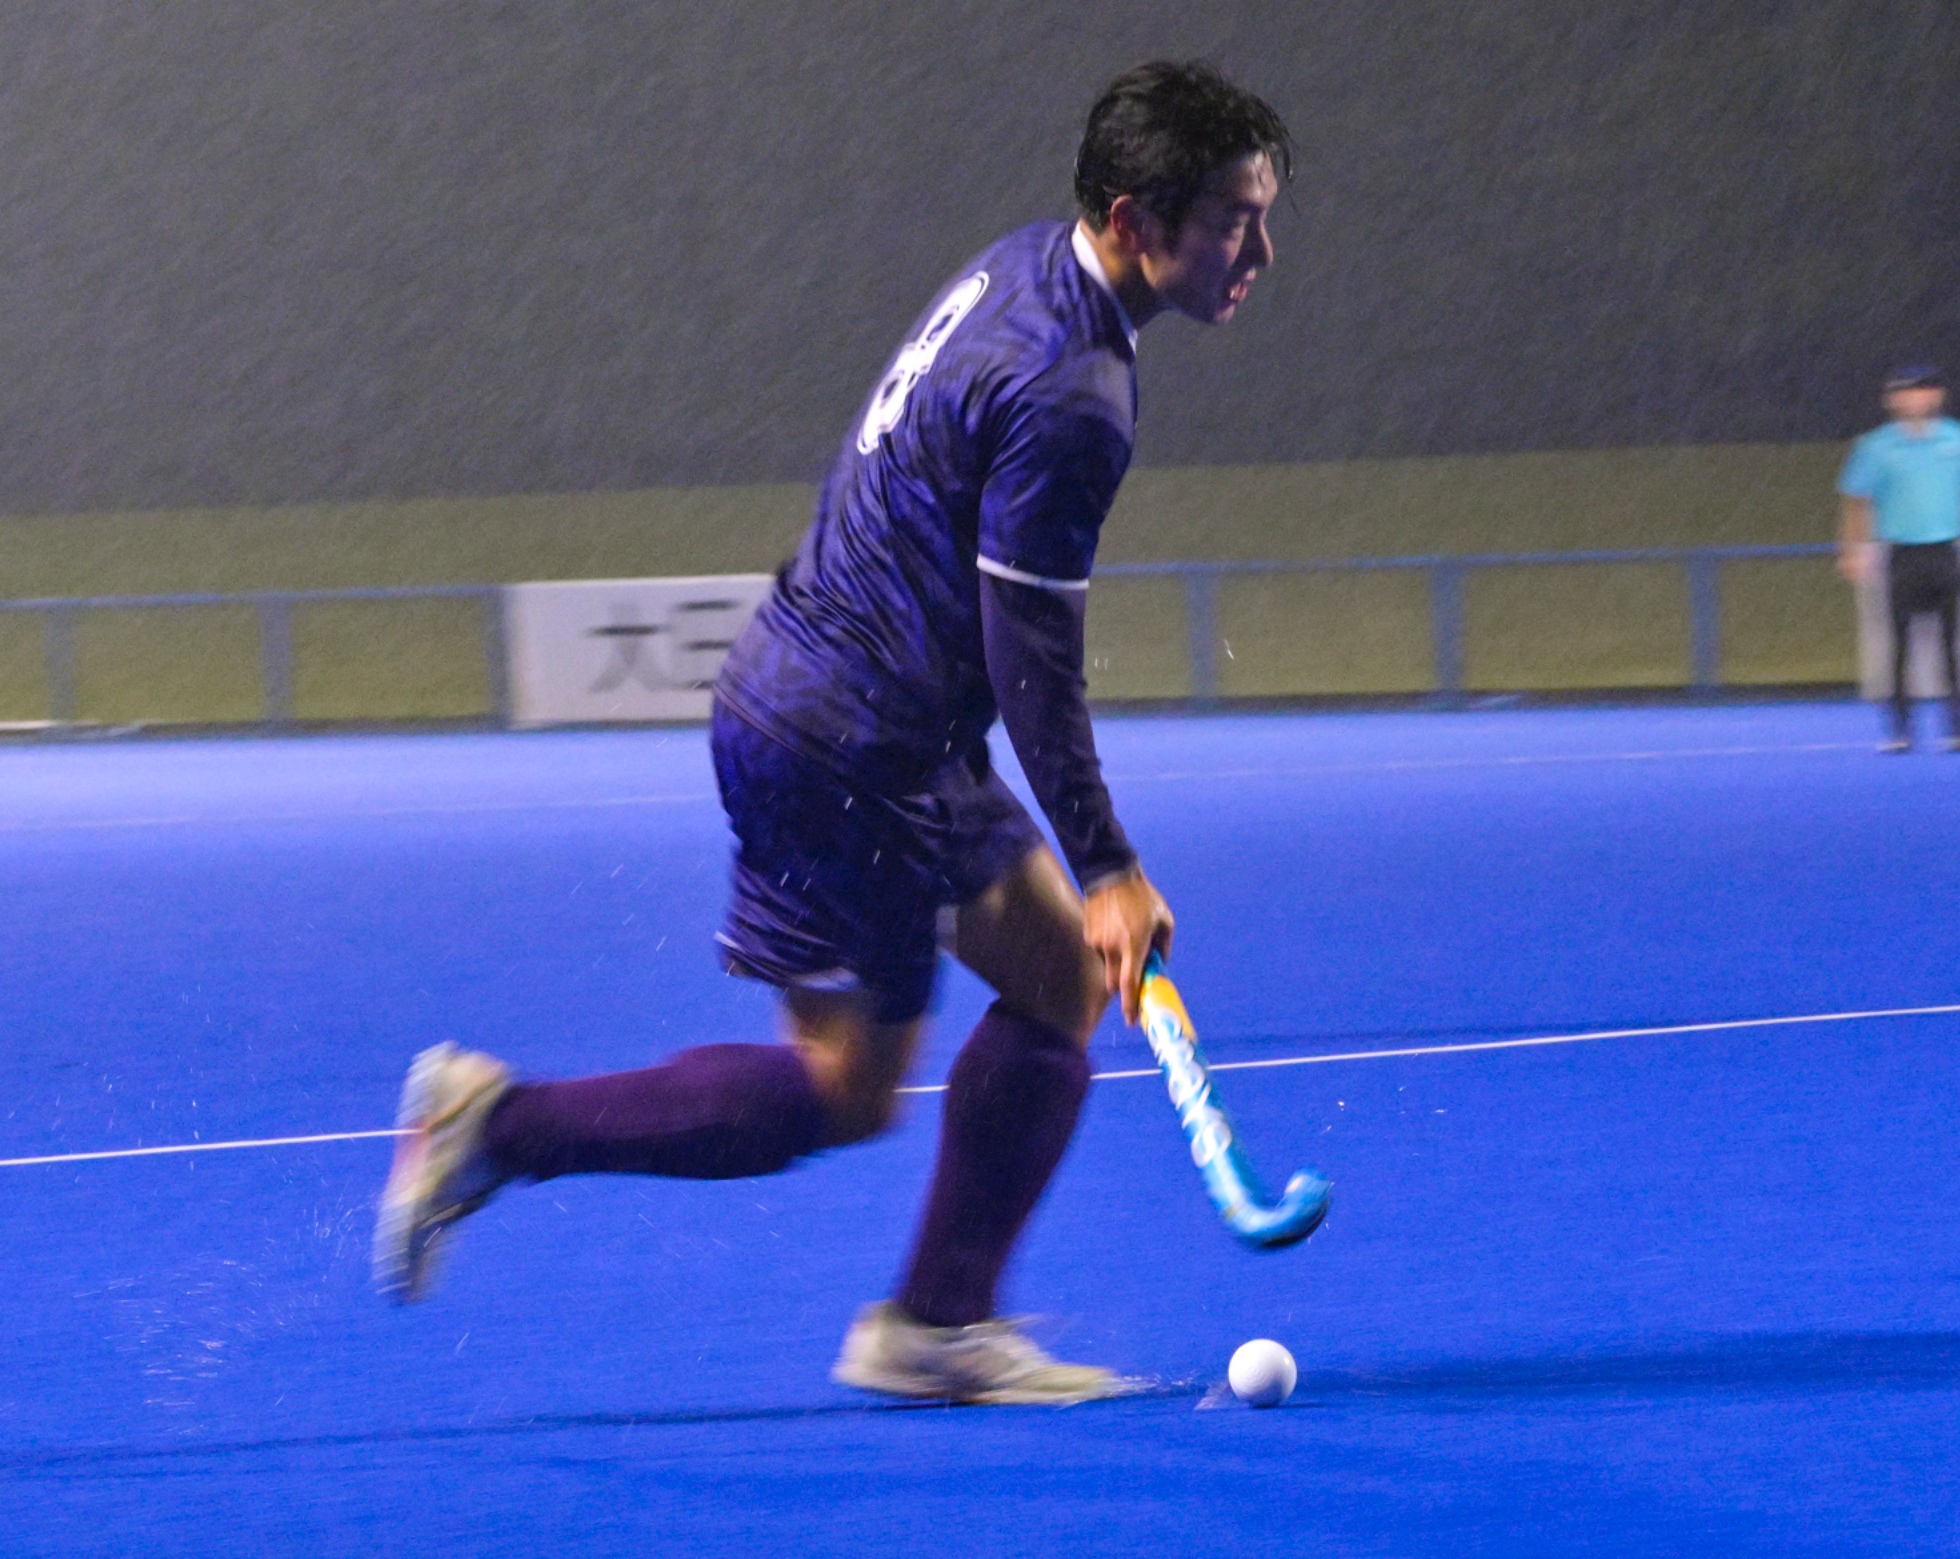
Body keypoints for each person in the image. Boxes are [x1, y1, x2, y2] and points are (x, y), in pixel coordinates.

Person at [373, 62, 1291, 1402]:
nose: (1257, 252)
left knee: (1018, 1000)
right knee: (875, 1070)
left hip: (848, 713)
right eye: (1232, 221)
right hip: (853, 744)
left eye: (1264, 218)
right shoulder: (1072, 392)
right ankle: (509, 1127)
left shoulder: (1027, 265)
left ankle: (927, 1318)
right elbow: (1027, 652)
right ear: (1133, 218)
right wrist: (1106, 864)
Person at [1839, 366, 1960, 753]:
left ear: (1937, 396)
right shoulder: (1875, 446)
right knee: (1899, 647)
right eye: (1904, 393)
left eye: (1922, 391)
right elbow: (1856, 502)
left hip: (1948, 552)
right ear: (1892, 400)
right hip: (1901, 554)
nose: (1914, 399)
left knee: (1953, 645)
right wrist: (1852, 551)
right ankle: (1900, 731)